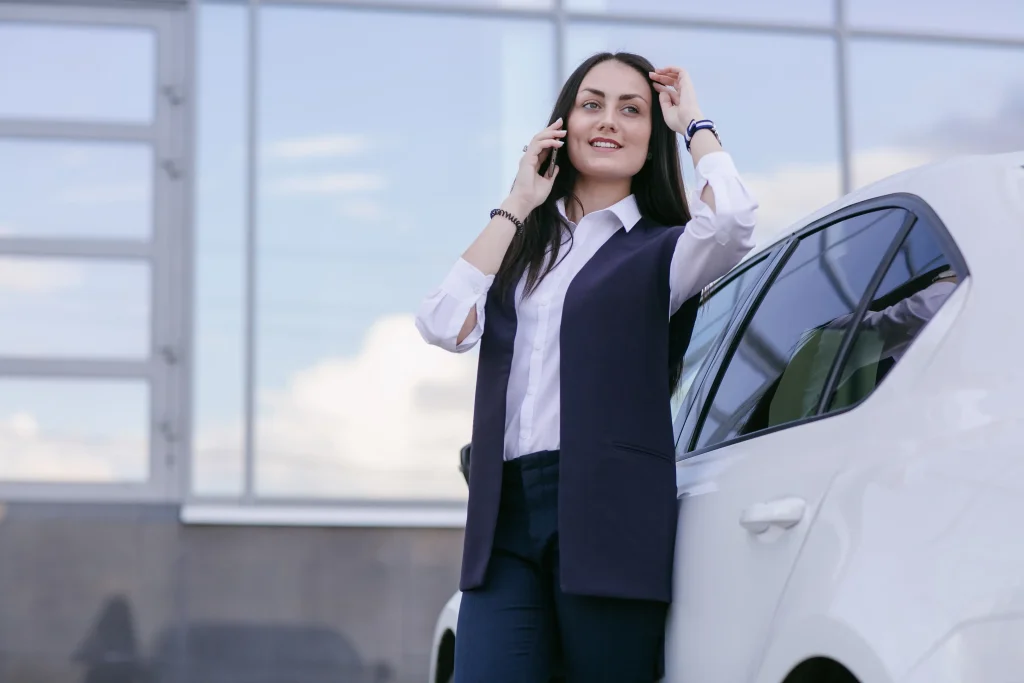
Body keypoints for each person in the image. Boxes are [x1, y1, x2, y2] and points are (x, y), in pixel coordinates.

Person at [415, 52, 758, 683]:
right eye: (592, 104)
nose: (610, 121)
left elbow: (734, 222)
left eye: (633, 110)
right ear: (562, 125)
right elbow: (441, 321)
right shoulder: (522, 249)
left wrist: (696, 125)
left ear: (651, 135)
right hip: (506, 515)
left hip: (611, 513)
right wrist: (518, 201)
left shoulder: (666, 249)